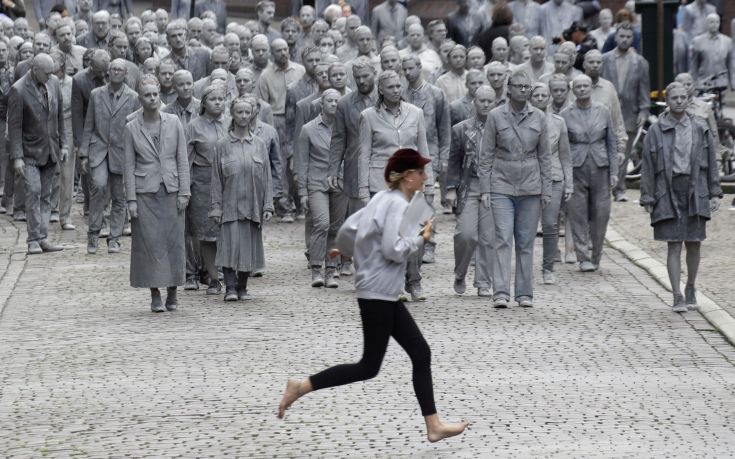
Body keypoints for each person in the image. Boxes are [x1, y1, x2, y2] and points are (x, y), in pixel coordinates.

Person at [278, 148, 470, 443]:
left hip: (382, 291)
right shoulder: (395, 204)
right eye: (421, 172)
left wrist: (347, 250)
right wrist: (422, 238)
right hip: (379, 291)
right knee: (368, 366)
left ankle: (434, 425)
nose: (426, 177)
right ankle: (301, 386)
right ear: (408, 176)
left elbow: (349, 229)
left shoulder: (383, 198)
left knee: (420, 353)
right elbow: (393, 250)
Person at [640, 82, 722, 312]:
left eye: (682, 97)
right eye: (674, 98)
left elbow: (711, 162)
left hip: (695, 187)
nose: (678, 101)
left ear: (688, 99)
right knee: (673, 244)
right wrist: (647, 197)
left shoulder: (700, 127)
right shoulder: (657, 130)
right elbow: (647, 164)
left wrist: (715, 192)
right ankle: (676, 294)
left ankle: (691, 287)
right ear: (667, 101)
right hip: (667, 188)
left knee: (694, 242)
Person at [478, 69, 552, 308]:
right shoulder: (496, 116)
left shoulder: (539, 117)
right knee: (502, 237)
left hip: (530, 186)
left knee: (525, 240)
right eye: (518, 86)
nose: (523, 90)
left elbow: (545, 156)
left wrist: (547, 189)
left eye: (526, 86)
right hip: (501, 183)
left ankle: (524, 293)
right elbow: (486, 154)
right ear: (508, 89)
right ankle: (500, 291)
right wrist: (485, 189)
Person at [359, 71, 434, 301]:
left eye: (398, 86)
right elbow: (363, 153)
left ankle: (414, 279)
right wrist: (363, 188)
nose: (395, 90)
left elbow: (423, 149)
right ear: (381, 89)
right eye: (390, 87)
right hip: (382, 181)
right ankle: (396, 284)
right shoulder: (368, 116)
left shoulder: (416, 113)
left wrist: (428, 182)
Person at [124, 76, 190, 313]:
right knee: (149, 243)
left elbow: (182, 159)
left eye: (155, 94)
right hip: (145, 192)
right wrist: (131, 199)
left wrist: (185, 191)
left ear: (160, 94)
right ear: (140, 99)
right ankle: (154, 293)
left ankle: (173, 291)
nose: (152, 99)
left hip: (171, 190)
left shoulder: (173, 122)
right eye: (147, 95)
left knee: (174, 242)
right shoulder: (131, 127)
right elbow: (128, 166)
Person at [209, 97, 273, 301]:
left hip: (252, 204)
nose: (243, 116)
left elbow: (267, 176)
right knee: (229, 245)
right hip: (230, 204)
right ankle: (229, 287)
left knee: (248, 245)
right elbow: (216, 179)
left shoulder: (260, 144)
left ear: (253, 114)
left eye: (247, 112)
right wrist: (216, 207)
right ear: (232, 114)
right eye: (239, 112)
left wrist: (268, 205)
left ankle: (243, 286)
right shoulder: (222, 145)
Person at [79, 58, 141, 254]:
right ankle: (94, 234)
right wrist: (83, 154)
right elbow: (88, 124)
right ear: (108, 72)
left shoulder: (133, 97)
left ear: (125, 74)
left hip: (121, 151)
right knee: (98, 186)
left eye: (119, 70)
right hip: (98, 148)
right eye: (112, 69)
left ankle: (114, 237)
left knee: (119, 195)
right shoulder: (96, 94)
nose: (115, 72)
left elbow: (136, 128)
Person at [8, 53, 67, 255]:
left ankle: (43, 237)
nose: (51, 76)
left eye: (53, 73)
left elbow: (60, 117)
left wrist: (64, 145)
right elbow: (14, 127)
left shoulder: (54, 83)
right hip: (29, 151)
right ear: (35, 70)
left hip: (51, 149)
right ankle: (33, 239)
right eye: (47, 73)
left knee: (47, 195)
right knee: (33, 192)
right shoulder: (18, 90)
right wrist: (17, 157)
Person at [327, 57, 378, 277]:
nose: (361, 81)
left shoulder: (385, 99)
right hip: (355, 169)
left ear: (374, 74)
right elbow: (338, 138)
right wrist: (332, 169)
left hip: (381, 167)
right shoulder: (346, 103)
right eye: (357, 77)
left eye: (365, 76)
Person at [561, 74, 617, 272]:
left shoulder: (603, 111)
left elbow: (611, 142)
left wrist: (614, 171)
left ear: (591, 89)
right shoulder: (566, 114)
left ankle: (596, 255)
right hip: (577, 167)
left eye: (586, 86)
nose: (582, 89)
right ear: (573, 90)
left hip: (600, 165)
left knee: (601, 213)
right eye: (578, 86)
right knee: (577, 213)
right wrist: (565, 174)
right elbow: (563, 147)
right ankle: (583, 256)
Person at [446, 85, 496, 297]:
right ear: (474, 102)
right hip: (469, 185)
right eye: (481, 100)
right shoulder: (461, 129)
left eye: (489, 101)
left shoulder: (501, 128)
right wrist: (450, 188)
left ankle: (483, 281)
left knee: (488, 236)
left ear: (495, 103)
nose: (485, 104)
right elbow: (454, 160)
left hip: (493, 186)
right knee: (466, 234)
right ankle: (460, 272)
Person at [297, 89, 347, 288]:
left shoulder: (345, 128)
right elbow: (302, 163)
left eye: (337, 101)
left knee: (336, 228)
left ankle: (331, 270)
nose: (334, 104)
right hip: (316, 182)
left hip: (340, 183)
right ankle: (316, 268)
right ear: (322, 104)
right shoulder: (308, 130)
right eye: (330, 101)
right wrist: (302, 192)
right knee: (322, 223)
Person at [186, 83, 229, 295]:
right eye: (213, 99)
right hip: (203, 183)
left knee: (230, 230)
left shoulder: (232, 122)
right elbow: (186, 160)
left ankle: (231, 273)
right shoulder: (194, 126)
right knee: (207, 233)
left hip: (230, 182)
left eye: (221, 99)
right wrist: (187, 187)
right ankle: (213, 278)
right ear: (203, 103)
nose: (218, 102)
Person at [529, 82, 573, 284]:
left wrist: (569, 183)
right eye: (536, 95)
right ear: (530, 98)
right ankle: (525, 264)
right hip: (528, 177)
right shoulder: (523, 121)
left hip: (554, 178)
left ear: (549, 98)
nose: (540, 99)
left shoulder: (558, 122)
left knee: (549, 223)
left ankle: (548, 268)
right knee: (526, 225)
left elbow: (565, 155)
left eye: (543, 95)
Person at [601, 22, 650, 203]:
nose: (624, 39)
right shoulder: (604, 59)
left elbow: (644, 91)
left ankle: (620, 189)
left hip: (630, 112)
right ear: (615, 37)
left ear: (633, 39)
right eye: (621, 36)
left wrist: (644, 111)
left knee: (624, 151)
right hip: (606, 111)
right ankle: (604, 187)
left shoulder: (641, 63)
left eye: (628, 37)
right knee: (604, 151)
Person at [689, 14, 735, 92]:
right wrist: (693, 83)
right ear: (707, 23)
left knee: (720, 103)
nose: (715, 25)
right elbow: (694, 65)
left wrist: (733, 83)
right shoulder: (698, 41)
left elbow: (731, 64)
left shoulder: (727, 42)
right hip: (703, 81)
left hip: (721, 82)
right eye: (712, 22)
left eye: (717, 22)